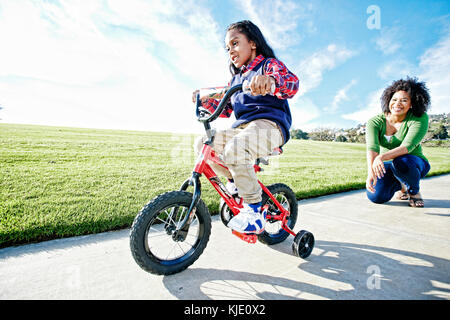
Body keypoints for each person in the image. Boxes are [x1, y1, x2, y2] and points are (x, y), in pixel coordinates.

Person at [192, 20, 299, 234]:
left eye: (235, 43)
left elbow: (291, 83)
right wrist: (202, 100)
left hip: (270, 125)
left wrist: (269, 80)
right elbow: (224, 107)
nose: (231, 50)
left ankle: (254, 210)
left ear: (252, 43)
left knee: (236, 148)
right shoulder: (236, 79)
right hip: (243, 127)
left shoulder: (268, 65)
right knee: (204, 144)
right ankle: (234, 181)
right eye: (227, 48)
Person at [365, 77, 431, 207]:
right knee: (376, 196)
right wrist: (371, 173)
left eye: (404, 100)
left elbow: (407, 147)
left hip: (413, 162)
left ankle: (414, 192)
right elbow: (372, 148)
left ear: (412, 103)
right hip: (387, 165)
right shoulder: (375, 122)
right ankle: (401, 186)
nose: (397, 104)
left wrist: (382, 156)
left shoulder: (419, 118)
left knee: (401, 161)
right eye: (394, 99)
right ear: (388, 100)